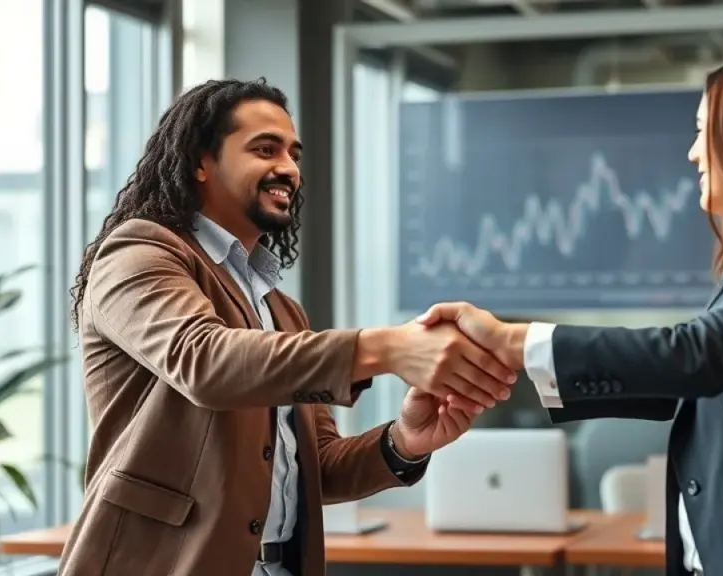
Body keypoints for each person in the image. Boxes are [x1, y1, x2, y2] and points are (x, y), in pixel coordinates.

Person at [418, 50, 723, 576]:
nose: (695, 153)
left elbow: (700, 356)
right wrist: (509, 362)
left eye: (703, 131)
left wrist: (517, 341)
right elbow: (687, 377)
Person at [60, 78, 516, 576]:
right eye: (264, 149)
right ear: (201, 161)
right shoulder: (139, 254)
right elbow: (204, 361)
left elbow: (315, 465)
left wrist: (404, 441)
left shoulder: (280, 308)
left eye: (293, 153)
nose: (289, 168)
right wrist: (387, 347)